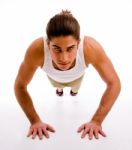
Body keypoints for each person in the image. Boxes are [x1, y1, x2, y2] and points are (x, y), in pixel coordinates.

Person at [14, 10, 121, 140]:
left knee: (75, 88)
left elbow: (114, 83)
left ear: (78, 42)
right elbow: (20, 86)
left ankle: (73, 91)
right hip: (53, 78)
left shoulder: (90, 48)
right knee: (57, 86)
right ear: (48, 43)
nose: (64, 58)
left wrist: (97, 121)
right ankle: (59, 89)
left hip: (77, 78)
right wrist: (34, 121)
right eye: (57, 49)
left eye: (70, 48)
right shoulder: (36, 50)